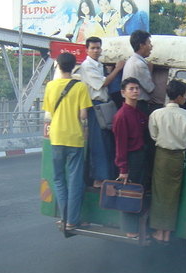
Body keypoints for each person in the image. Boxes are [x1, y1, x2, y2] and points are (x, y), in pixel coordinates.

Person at [42, 52, 92, 230]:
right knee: (75, 180)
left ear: (58, 65)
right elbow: (83, 115)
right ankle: (72, 220)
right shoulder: (80, 87)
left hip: (56, 137)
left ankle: (64, 218)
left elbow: (50, 111)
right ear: (74, 66)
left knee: (58, 179)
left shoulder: (50, 86)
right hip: (75, 138)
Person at [148, 80, 186, 244]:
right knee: (173, 194)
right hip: (177, 157)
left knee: (159, 193)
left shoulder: (156, 114)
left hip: (162, 156)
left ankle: (159, 231)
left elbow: (153, 136)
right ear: (180, 97)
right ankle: (167, 232)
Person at [79, 37, 125, 187]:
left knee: (107, 141)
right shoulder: (87, 66)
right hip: (95, 105)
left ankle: (106, 176)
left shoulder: (98, 65)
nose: (96, 50)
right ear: (87, 50)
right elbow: (103, 83)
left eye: (98, 48)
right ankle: (99, 178)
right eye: (92, 48)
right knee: (98, 142)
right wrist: (117, 69)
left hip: (105, 105)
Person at [112, 77, 150, 239]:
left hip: (140, 155)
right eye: (131, 89)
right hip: (130, 158)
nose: (135, 91)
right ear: (123, 92)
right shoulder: (121, 116)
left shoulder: (137, 112)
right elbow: (120, 145)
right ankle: (130, 230)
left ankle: (137, 228)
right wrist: (123, 169)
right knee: (128, 194)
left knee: (138, 192)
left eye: (137, 88)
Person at [122, 30, 155, 114]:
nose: (151, 47)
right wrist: (150, 70)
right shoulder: (139, 64)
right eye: (149, 43)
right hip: (139, 104)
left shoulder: (131, 61)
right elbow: (150, 88)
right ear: (142, 46)